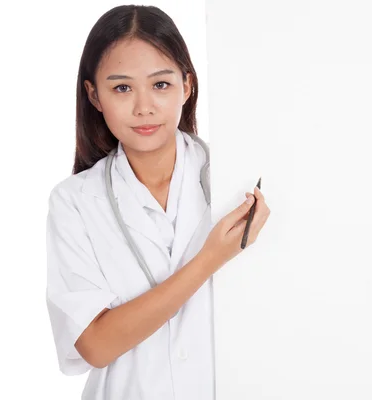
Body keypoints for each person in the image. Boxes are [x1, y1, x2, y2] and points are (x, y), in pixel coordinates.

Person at [45, 5, 270, 399]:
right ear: (93, 95)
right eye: (122, 88)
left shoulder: (237, 182)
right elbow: (95, 345)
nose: (143, 107)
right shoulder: (75, 201)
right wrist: (209, 259)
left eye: (161, 85)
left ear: (187, 84)